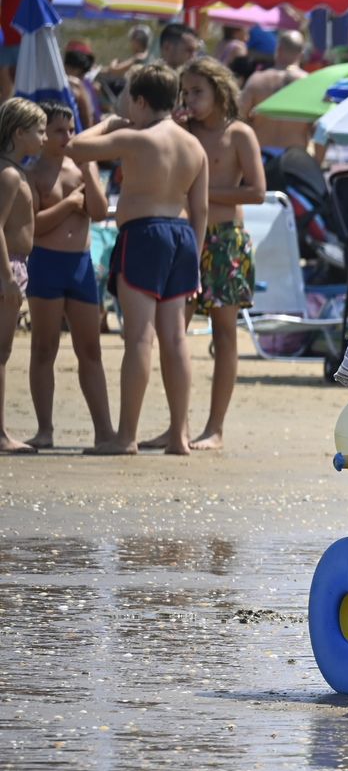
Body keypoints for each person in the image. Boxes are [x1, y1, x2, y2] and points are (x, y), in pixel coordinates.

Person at [69, 65, 208, 457]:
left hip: (144, 235)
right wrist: (195, 262)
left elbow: (75, 147)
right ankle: (179, 436)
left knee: (140, 338)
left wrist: (109, 123)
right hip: (182, 237)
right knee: (175, 339)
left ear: (140, 101)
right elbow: (200, 210)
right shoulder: (193, 145)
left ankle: (126, 436)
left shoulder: (135, 138)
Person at [170, 56, 266, 452]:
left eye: (198, 92)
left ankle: (214, 428)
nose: (190, 100)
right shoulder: (181, 131)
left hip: (225, 239)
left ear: (219, 91)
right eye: (185, 92)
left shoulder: (238, 133)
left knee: (225, 334)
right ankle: (177, 426)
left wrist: (203, 192)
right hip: (185, 235)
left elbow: (257, 191)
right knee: (173, 332)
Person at [24, 101, 111, 450]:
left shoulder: (81, 169)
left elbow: (100, 212)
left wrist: (89, 170)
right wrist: (69, 205)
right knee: (44, 348)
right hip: (46, 262)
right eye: (59, 130)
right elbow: (33, 227)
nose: (68, 137)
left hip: (80, 265)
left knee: (90, 349)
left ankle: (104, 430)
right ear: (43, 135)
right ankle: (45, 428)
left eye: (71, 129)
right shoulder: (32, 173)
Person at [0, 96, 43, 453]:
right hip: (7, 267)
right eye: (38, 131)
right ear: (18, 133)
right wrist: (7, 278)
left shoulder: (15, 170)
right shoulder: (10, 174)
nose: (43, 138)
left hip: (16, 265)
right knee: (0, 352)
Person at [239, 30, 311, 152]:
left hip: (261, 153)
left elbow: (239, 116)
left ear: (278, 49)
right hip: (294, 154)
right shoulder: (309, 83)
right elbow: (318, 127)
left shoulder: (257, 80)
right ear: (302, 54)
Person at [62, 48, 100, 127]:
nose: (82, 77)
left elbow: (88, 116)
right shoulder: (76, 84)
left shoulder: (80, 85)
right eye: (80, 74)